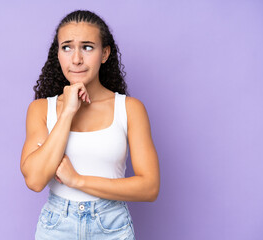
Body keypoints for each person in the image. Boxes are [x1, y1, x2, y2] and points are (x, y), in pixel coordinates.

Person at [20, 10, 160, 239]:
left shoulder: (130, 109)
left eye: (87, 47)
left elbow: (149, 187)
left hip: (111, 226)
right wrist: (67, 113)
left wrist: (78, 180)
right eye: (67, 47)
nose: (76, 59)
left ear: (104, 53)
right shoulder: (40, 110)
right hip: (57, 227)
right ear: (58, 54)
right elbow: (35, 180)